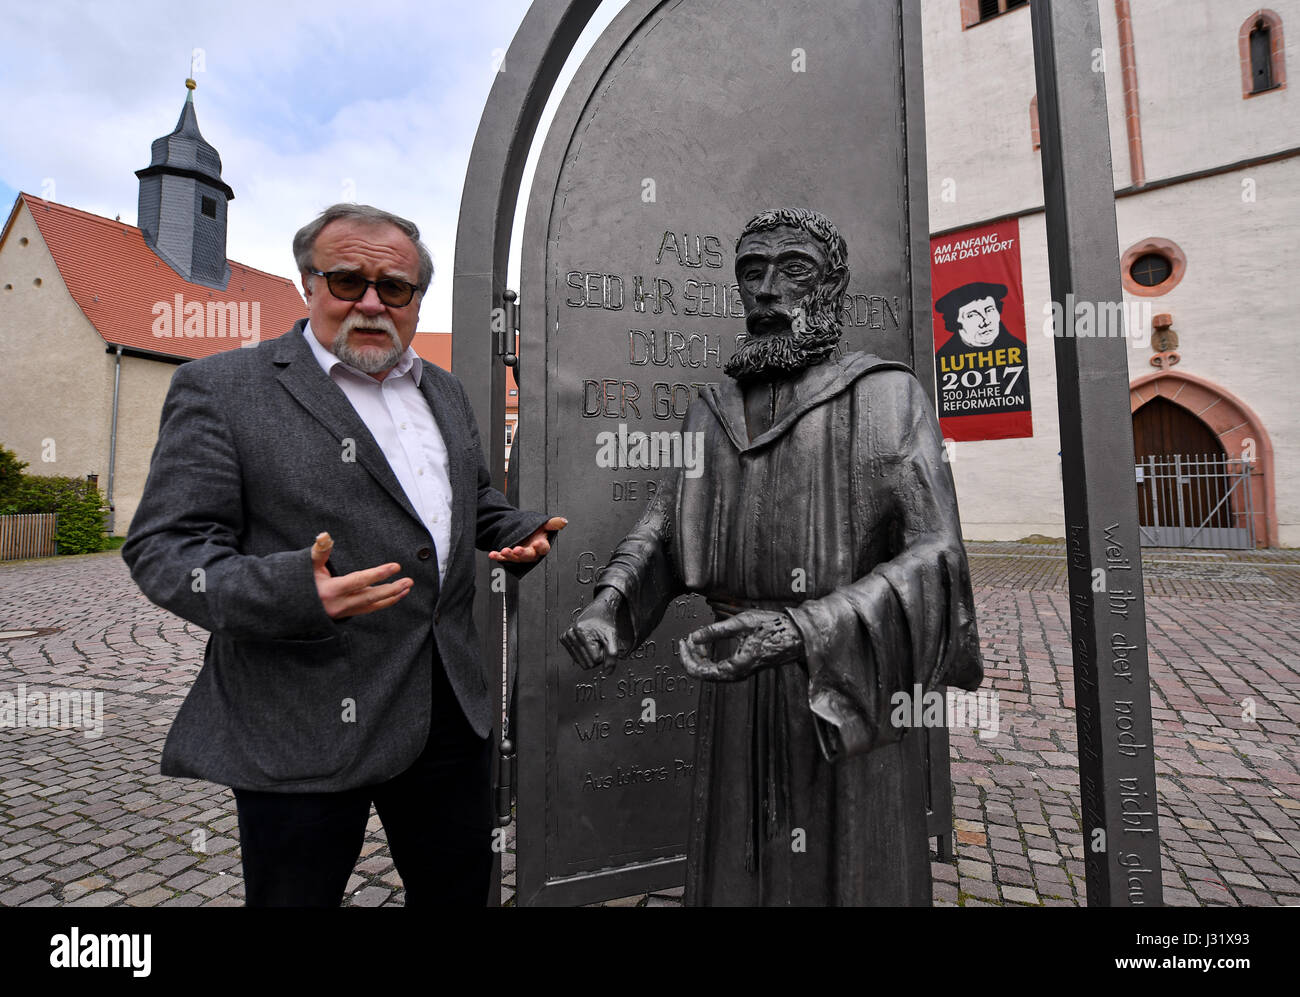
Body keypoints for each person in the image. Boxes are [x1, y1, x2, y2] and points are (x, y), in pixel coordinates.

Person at [123, 203, 564, 907]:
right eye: (346, 280)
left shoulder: (443, 391)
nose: (369, 302)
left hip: (446, 710)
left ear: (416, 299)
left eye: (393, 287)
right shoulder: (224, 388)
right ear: (309, 283)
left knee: (458, 891)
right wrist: (295, 590)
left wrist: (513, 527)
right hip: (301, 714)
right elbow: (163, 548)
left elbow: (465, 498)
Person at [561, 207, 982, 906]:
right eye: (751, 271)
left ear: (831, 286)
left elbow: (938, 557)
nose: (766, 288)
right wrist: (612, 603)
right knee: (736, 864)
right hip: (737, 681)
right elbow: (667, 523)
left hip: (844, 681)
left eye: (793, 269)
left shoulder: (886, 396)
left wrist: (805, 630)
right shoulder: (713, 407)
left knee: (847, 871)